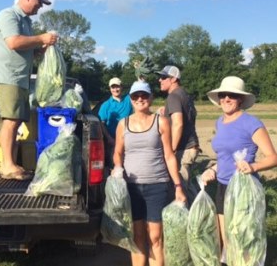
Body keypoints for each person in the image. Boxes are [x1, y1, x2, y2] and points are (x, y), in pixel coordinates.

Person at [201, 76, 277, 263]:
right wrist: (213, 169)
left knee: (243, 241)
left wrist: (253, 166)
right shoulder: (220, 122)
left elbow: (273, 157)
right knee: (227, 240)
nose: (227, 99)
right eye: (223, 94)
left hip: (244, 189)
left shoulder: (251, 123)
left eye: (232, 95)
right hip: (223, 187)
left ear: (240, 99)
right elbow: (224, 157)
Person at [0, 0, 58, 180]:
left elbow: (25, 49)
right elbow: (13, 42)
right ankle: (7, 165)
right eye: (38, 2)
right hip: (7, 76)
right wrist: (41, 38)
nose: (40, 6)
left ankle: (12, 163)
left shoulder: (26, 22)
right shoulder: (8, 15)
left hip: (19, 78)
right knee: (10, 121)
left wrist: (39, 50)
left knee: (15, 121)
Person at [112, 81, 186, 266]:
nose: (140, 99)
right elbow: (118, 152)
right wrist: (117, 168)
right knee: (137, 236)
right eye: (136, 96)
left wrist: (178, 186)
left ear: (151, 98)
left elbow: (169, 155)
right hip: (132, 187)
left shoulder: (161, 122)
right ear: (130, 99)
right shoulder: (123, 124)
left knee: (155, 237)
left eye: (144, 95)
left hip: (157, 185)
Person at [156, 65, 200, 198]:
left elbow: (178, 123)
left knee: (180, 187)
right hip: (190, 146)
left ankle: (193, 215)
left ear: (174, 79)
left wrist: (172, 149)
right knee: (186, 185)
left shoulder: (173, 96)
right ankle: (200, 212)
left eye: (163, 77)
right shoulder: (184, 94)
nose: (159, 80)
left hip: (183, 148)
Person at [98, 77, 133, 169]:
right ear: (110, 89)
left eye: (117, 87)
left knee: (129, 164)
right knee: (115, 165)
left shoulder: (128, 99)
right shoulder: (106, 105)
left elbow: (139, 90)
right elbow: (102, 123)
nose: (115, 89)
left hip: (128, 137)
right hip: (113, 140)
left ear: (121, 87)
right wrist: (109, 138)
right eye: (113, 87)